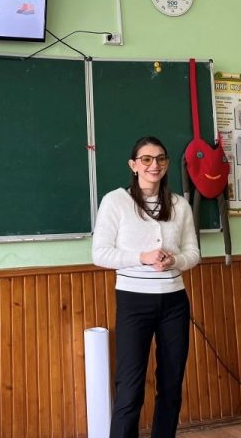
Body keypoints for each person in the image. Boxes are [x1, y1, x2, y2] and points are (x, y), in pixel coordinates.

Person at [92, 135, 200, 438]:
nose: (154, 165)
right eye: (146, 159)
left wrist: (174, 260)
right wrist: (142, 257)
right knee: (130, 387)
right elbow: (100, 254)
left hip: (174, 302)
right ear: (134, 165)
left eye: (160, 159)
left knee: (171, 384)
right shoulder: (115, 201)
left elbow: (193, 254)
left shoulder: (179, 205)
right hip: (134, 302)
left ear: (167, 164)